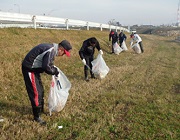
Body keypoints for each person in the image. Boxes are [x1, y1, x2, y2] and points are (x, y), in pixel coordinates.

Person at [22, 40, 72, 125]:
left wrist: (54, 70)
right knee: (36, 93)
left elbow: (48, 63)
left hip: (35, 69)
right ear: (61, 49)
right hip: (29, 69)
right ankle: (37, 117)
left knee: (41, 91)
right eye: (64, 53)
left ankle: (40, 111)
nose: (63, 55)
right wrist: (55, 72)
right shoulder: (50, 50)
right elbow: (46, 67)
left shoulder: (51, 49)